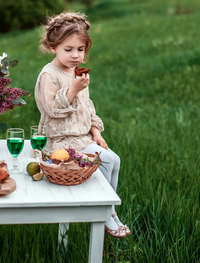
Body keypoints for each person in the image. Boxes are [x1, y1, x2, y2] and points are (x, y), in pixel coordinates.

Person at [34, 12, 130, 238]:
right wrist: (73, 89)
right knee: (105, 160)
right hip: (60, 140)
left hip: (82, 137)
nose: (76, 55)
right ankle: (104, 213)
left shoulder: (78, 74)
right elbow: (52, 110)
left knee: (113, 160)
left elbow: (87, 106)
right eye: (68, 49)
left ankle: (108, 209)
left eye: (81, 49)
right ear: (53, 47)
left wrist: (95, 132)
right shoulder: (49, 75)